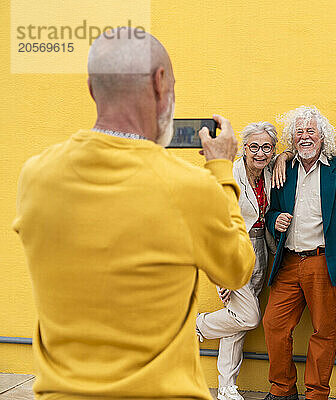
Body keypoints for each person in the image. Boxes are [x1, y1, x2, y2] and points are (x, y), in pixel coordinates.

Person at [12, 27, 255, 400]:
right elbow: (237, 269)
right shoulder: (189, 187)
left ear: (92, 88)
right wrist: (222, 171)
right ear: (161, 84)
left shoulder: (36, 175)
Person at [262, 106, 336, 400]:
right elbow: (270, 211)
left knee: (324, 331)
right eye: (299, 132)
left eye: (311, 131)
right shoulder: (285, 168)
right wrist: (274, 220)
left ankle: (316, 393)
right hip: (289, 262)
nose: (305, 137)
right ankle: (282, 389)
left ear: (323, 136)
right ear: (292, 138)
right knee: (274, 324)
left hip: (324, 262)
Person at [196, 122, 279, 400]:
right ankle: (194, 326)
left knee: (237, 320)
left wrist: (285, 157)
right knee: (248, 316)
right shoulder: (231, 174)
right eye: (253, 146)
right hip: (234, 252)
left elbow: (290, 155)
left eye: (266, 147)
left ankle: (226, 387)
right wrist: (222, 271)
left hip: (261, 250)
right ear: (244, 148)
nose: (259, 152)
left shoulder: (269, 171)